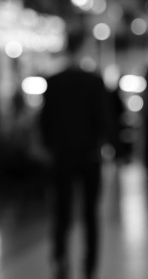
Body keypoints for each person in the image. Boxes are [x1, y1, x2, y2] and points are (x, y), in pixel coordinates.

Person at [39, 31, 112, 279]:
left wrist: (50, 147)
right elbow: (103, 119)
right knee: (90, 212)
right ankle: (90, 262)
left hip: (62, 154)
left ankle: (60, 257)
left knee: (61, 210)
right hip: (88, 154)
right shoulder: (93, 81)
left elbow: (45, 121)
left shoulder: (54, 81)